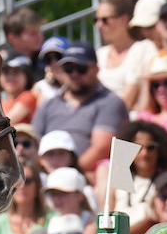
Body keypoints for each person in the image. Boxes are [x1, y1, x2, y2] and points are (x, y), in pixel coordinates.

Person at [33, 44, 129, 172]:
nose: (74, 74)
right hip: (45, 175)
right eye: (68, 69)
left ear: (96, 69)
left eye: (81, 68)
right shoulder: (48, 104)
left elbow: (102, 148)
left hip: (85, 177)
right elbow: (33, 143)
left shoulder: (110, 102)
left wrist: (69, 175)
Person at [95, 120, 167, 234]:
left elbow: (155, 221)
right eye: (138, 148)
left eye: (151, 148)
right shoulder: (120, 178)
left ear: (161, 151)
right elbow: (109, 215)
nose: (144, 154)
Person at [94, 0, 157, 107]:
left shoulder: (143, 49)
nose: (99, 25)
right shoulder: (99, 54)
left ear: (124, 20)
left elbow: (128, 101)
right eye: (96, 20)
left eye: (105, 20)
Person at [0, 52, 39, 125]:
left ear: (27, 76)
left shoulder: (28, 96)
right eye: (6, 72)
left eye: (16, 72)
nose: (10, 77)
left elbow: (5, 124)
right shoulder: (0, 100)